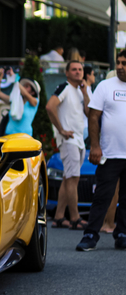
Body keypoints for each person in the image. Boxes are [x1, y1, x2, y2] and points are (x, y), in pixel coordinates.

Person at [76, 51, 126, 251]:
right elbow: (93, 117)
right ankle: (90, 235)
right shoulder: (106, 86)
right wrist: (95, 146)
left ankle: (122, 234)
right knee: (102, 197)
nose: (121, 66)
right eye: (119, 63)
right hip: (109, 154)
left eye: (125, 63)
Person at [46, 61, 90, 231]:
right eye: (74, 69)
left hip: (78, 140)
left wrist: (85, 92)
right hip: (69, 140)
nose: (78, 72)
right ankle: (75, 218)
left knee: (68, 178)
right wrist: (61, 130)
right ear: (67, 73)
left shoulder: (80, 90)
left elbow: (88, 112)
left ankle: (58, 217)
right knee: (73, 178)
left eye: (80, 69)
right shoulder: (64, 87)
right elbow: (50, 106)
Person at [0, 68, 40, 136]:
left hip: (25, 137)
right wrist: (0, 76)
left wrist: (15, 79)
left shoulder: (34, 102)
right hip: (9, 135)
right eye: (23, 86)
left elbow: (25, 93)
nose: (23, 87)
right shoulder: (14, 100)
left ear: (33, 92)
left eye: (26, 86)